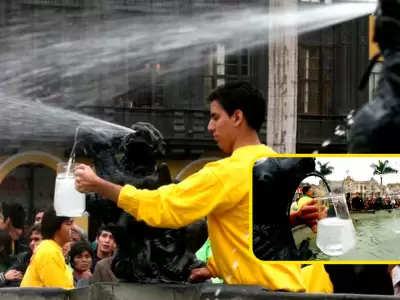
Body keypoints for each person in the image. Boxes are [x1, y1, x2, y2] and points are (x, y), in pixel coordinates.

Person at [75, 82, 319, 292]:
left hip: (256, 295)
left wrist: (99, 184)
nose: (210, 128)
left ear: (237, 117)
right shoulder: (277, 165)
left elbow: (163, 207)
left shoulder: (227, 172)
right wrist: (212, 267)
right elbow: (256, 233)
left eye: (215, 117)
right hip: (291, 292)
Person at [20, 206, 74, 289]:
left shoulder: (51, 248)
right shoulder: (49, 251)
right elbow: (61, 292)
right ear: (56, 227)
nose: (72, 228)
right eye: (68, 224)